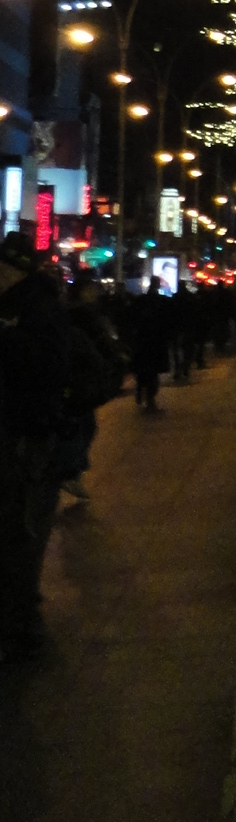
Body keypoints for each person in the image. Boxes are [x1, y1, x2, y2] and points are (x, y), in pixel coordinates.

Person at [0, 234, 71, 660]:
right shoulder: (25, 305)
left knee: (20, 528)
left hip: (26, 435)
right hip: (22, 432)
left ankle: (21, 621)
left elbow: (43, 368)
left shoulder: (32, 309)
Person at [55, 269, 123, 503]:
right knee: (81, 424)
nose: (94, 292)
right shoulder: (81, 316)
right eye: (91, 289)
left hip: (80, 377)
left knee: (83, 424)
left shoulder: (76, 314)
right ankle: (69, 471)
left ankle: (73, 470)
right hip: (79, 378)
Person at [130, 282, 170, 412]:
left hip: (142, 341)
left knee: (143, 371)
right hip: (156, 342)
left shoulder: (140, 301)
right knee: (153, 374)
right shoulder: (161, 302)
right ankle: (150, 401)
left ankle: (141, 392)